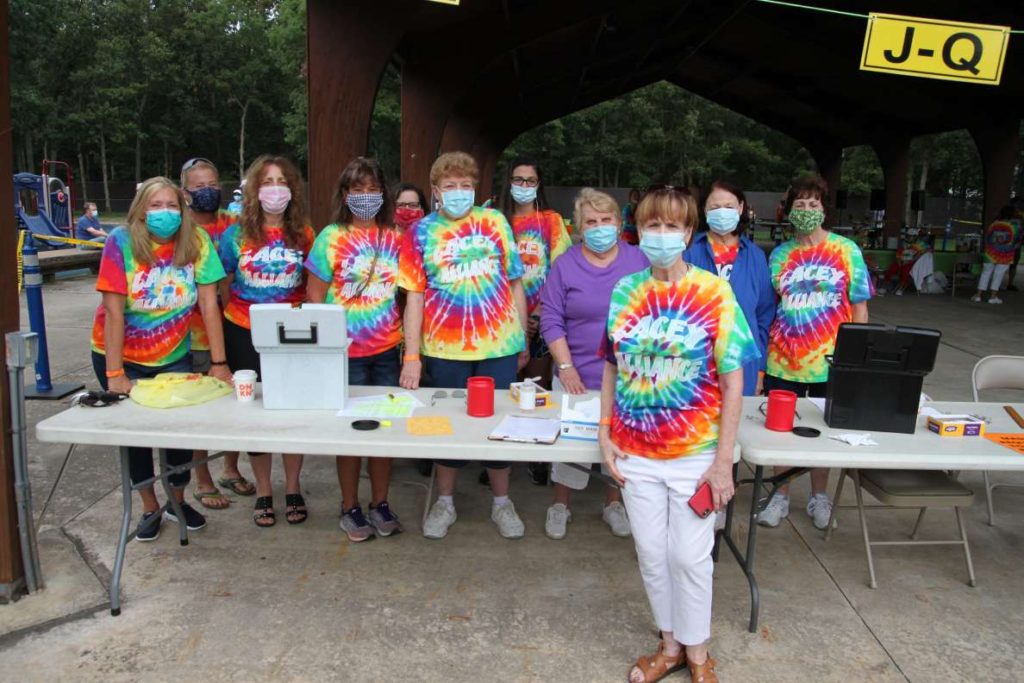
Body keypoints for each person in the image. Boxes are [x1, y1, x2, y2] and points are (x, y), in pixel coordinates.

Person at [600, 186, 757, 683]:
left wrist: (723, 460)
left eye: (672, 225)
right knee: (651, 554)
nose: (661, 234)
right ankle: (669, 647)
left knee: (689, 558)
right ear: (639, 231)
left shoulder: (714, 292)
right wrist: (605, 433)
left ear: (689, 233)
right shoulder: (625, 292)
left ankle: (699, 653)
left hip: (695, 454)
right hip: (635, 452)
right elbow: (611, 367)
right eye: (652, 225)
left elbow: (733, 382)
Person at [398, 151, 529, 540]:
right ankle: (445, 501)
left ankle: (502, 502)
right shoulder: (420, 232)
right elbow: (414, 297)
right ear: (436, 190)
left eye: (466, 185)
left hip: (499, 345)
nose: (459, 191)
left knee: (501, 425)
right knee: (447, 427)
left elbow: (515, 283)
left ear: (475, 188)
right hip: (444, 349)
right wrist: (411, 356)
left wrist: (522, 337)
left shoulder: (495, 222)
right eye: (450, 185)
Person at [90, 177, 231, 541]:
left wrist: (219, 363)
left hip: (173, 356)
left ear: (182, 210)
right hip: (120, 356)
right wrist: (115, 373)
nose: (164, 212)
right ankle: (149, 506)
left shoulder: (196, 241)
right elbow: (114, 312)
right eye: (155, 205)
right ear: (140, 211)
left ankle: (176, 502)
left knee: (178, 435)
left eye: (171, 205)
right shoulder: (120, 242)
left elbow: (209, 304)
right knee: (135, 437)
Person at [759, 174, 872, 530]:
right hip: (783, 359)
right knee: (780, 431)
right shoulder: (779, 255)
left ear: (824, 209)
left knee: (822, 432)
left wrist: (855, 358)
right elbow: (771, 306)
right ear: (789, 210)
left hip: (831, 361)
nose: (807, 209)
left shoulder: (846, 250)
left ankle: (819, 497)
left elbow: (860, 308)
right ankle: (779, 495)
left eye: (813, 203)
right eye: (800, 203)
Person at [540, 188, 648, 539]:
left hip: (627, 378)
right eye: (591, 221)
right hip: (576, 376)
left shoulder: (639, 260)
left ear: (618, 223)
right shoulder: (564, 264)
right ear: (579, 227)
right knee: (570, 449)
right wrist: (565, 367)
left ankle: (613, 504)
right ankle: (561, 504)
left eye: (606, 220)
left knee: (620, 446)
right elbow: (551, 319)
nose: (599, 227)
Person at [306, 157, 404, 542]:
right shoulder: (330, 237)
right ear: (345, 195)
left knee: (383, 431)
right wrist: (321, 351)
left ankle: (380, 503)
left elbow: (407, 293)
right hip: (344, 353)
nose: (366, 196)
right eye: (358, 189)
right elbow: (315, 296)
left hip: (386, 351)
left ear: (384, 193)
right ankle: (349, 506)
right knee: (349, 434)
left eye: (373, 189)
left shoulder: (395, 237)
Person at [219, 155, 315, 527]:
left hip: (290, 333)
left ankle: (292, 487)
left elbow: (311, 284)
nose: (275, 189)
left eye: (282, 182)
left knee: (291, 413)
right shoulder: (234, 235)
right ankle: (263, 490)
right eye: (267, 182)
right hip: (243, 331)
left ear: (293, 190)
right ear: (254, 190)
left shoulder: (305, 234)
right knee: (254, 415)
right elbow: (224, 285)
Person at [180, 157, 254, 510]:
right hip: (193, 336)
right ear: (185, 191)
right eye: (199, 186)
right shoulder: (179, 228)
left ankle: (230, 467)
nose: (207, 191)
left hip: (232, 328)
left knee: (236, 405)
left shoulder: (234, 223)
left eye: (212, 184)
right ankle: (203, 478)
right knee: (200, 412)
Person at [501, 160, 571, 486]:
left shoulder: (551, 221)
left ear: (539, 184)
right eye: (518, 179)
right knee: (506, 388)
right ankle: (501, 458)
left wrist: (538, 313)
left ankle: (537, 456)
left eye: (530, 180)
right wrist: (514, 318)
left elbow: (560, 269)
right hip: (502, 320)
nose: (524, 185)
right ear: (508, 182)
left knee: (537, 387)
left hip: (541, 317)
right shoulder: (496, 219)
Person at [685, 180, 775, 396]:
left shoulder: (756, 256)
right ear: (704, 209)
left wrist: (760, 370)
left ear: (741, 208)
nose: (722, 212)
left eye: (729, 206)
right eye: (715, 207)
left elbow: (764, 316)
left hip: (743, 364)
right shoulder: (688, 251)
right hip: (694, 363)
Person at [972, 205, 1018, 304]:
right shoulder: (1014, 226)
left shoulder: (993, 224)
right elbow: (1016, 239)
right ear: (1012, 215)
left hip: (990, 253)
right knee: (998, 275)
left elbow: (988, 238)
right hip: (1005, 255)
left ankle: (978, 296)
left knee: (985, 273)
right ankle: (993, 297)